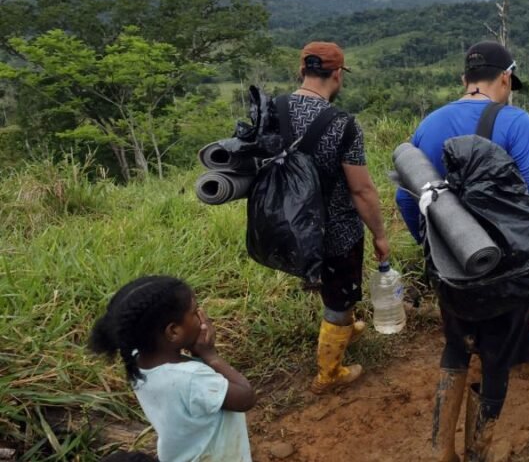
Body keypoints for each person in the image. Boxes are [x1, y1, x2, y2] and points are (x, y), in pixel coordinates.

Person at [395, 41, 529, 462]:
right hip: (506, 267)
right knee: (496, 359)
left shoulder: (430, 123)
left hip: (450, 265)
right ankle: (478, 454)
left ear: (464, 79)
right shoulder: (514, 121)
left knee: (456, 347)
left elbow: (407, 197)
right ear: (505, 77)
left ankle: (440, 449)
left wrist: (436, 245)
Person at [290, 42, 390, 394]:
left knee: (336, 289)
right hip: (335, 231)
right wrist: (379, 234)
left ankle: (344, 322)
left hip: (289, 227)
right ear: (337, 74)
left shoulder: (274, 110)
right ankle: (329, 373)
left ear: (302, 71)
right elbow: (361, 191)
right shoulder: (342, 125)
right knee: (338, 296)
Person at [89, 276, 256, 462]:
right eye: (194, 312)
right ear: (173, 332)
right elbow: (245, 398)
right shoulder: (192, 379)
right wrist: (211, 356)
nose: (202, 315)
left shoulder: (137, 362)